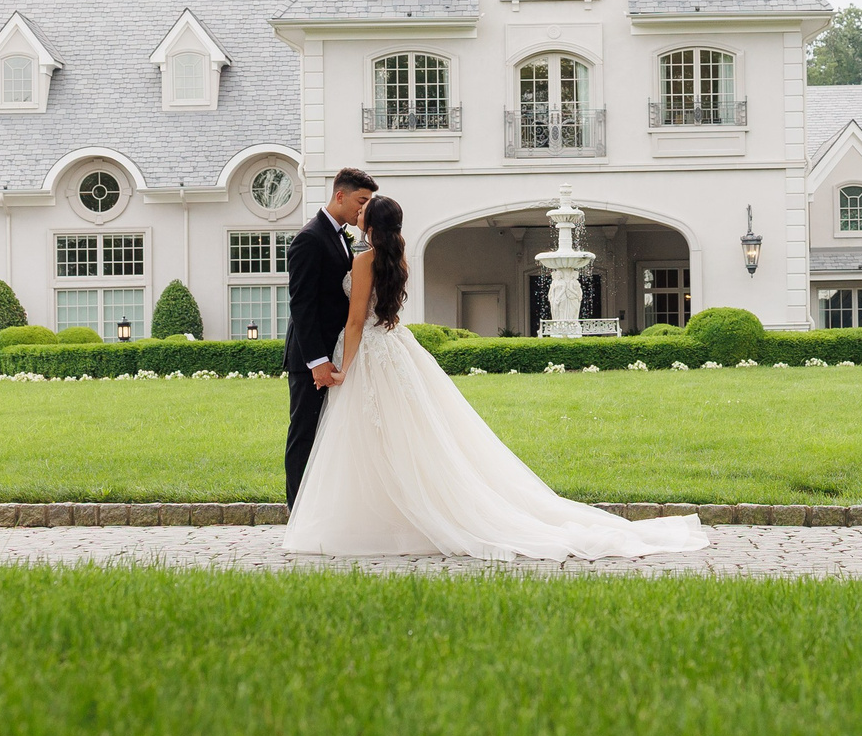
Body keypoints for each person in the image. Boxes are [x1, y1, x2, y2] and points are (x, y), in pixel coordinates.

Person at [284, 194, 708, 562]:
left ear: (369, 223)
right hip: (394, 347)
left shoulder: (364, 260)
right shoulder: (399, 259)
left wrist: (344, 367)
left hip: (370, 353)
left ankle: (376, 519)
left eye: (364, 211)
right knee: (404, 435)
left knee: (369, 436)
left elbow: (356, 321)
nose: (357, 214)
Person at [283, 167, 376, 507]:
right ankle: (298, 513)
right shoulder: (309, 238)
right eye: (360, 201)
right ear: (340, 196)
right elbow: (301, 304)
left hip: (335, 352)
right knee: (304, 435)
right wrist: (318, 361)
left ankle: (322, 508)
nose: (362, 210)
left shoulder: (340, 235)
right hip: (312, 358)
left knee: (329, 436)